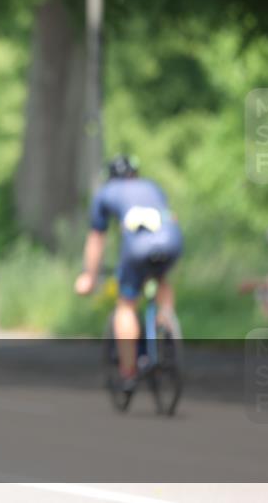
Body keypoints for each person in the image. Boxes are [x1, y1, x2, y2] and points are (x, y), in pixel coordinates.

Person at [74, 155, 183, 393]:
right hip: (171, 239)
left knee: (126, 305)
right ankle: (166, 325)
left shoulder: (105, 193)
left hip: (138, 247)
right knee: (161, 279)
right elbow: (169, 217)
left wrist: (89, 277)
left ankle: (128, 370)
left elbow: (96, 239)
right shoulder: (152, 186)